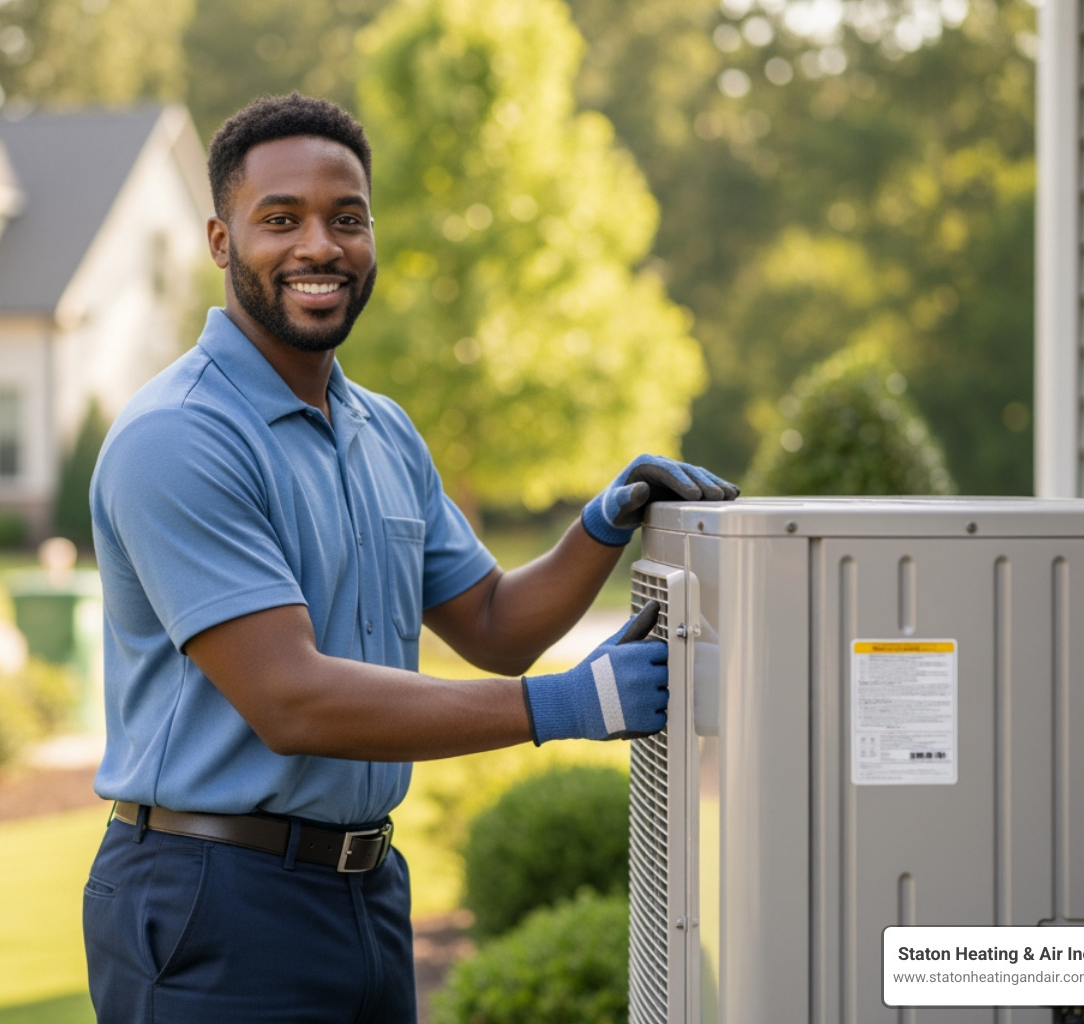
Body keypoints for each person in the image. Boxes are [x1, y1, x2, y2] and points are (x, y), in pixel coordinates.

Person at [81, 92, 736, 1023]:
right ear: (222, 243)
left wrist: (600, 526)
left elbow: (495, 625)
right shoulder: (179, 438)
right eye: (282, 220)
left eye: (346, 219)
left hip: (369, 890)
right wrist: (566, 705)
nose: (319, 246)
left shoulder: (382, 431)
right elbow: (291, 699)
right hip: (211, 897)